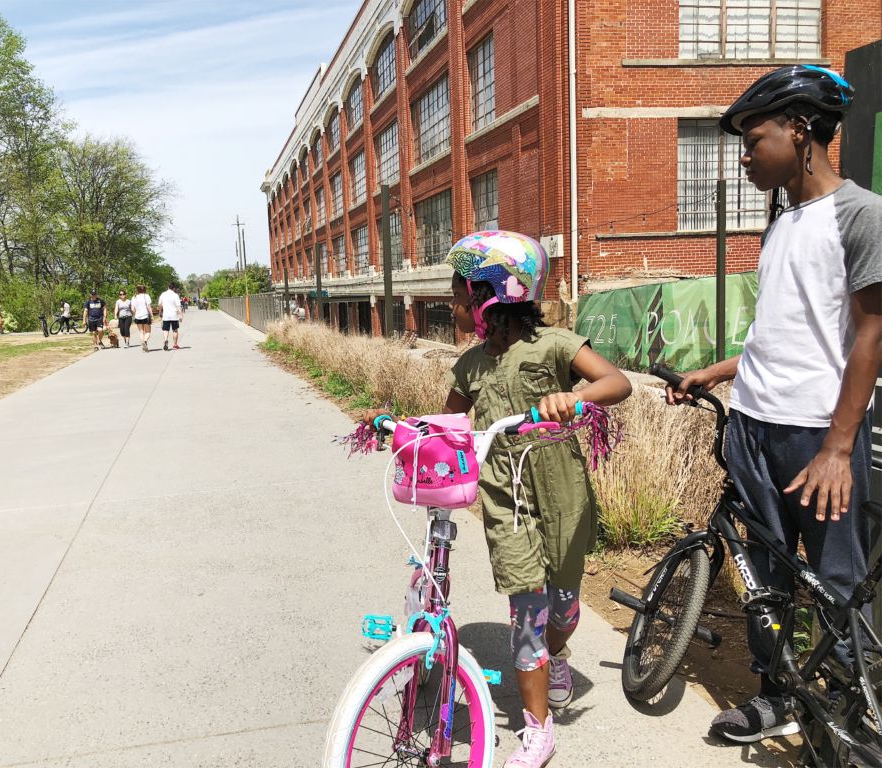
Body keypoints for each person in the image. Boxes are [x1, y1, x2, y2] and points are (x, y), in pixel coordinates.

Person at [667, 65, 881, 745]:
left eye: (753, 138)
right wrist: (719, 370)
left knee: (835, 580)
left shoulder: (861, 214)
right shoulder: (783, 221)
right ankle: (776, 696)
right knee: (764, 577)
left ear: (800, 130)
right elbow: (783, 332)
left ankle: (847, 707)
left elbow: (872, 336)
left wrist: (839, 449)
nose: (744, 152)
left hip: (818, 434)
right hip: (754, 424)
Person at [365, 232, 632, 768]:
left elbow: (617, 382)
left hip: (562, 490)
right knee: (527, 613)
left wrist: (573, 398)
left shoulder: (554, 345)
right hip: (502, 498)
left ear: (494, 293)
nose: (453, 301)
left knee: (562, 606)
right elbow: (450, 424)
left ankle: (558, 652)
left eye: (460, 292)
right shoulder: (467, 367)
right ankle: (538, 730)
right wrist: (403, 431)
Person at [157, 280, 183, 351]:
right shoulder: (175, 295)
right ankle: (175, 345)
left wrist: (160, 313)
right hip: (174, 315)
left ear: (168, 287)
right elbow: (178, 306)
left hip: (166, 315)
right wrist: (180, 315)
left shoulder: (163, 294)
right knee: (175, 330)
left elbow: (159, 305)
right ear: (174, 288)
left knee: (165, 330)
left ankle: (166, 340)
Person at [131, 284, 153, 351]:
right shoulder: (146, 296)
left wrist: (135, 314)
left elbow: (132, 309)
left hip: (137, 317)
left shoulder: (134, 297)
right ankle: (145, 341)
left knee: (141, 331)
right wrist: (151, 315)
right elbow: (148, 306)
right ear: (144, 289)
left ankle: (142, 342)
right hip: (145, 316)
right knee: (148, 331)